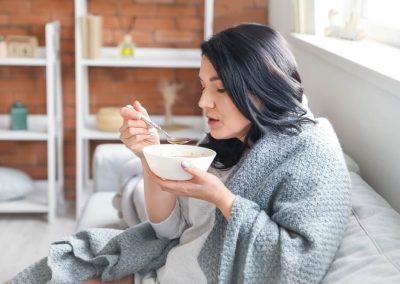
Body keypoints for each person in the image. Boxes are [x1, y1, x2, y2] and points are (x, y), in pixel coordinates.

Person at [11, 23, 351, 284]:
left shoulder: (310, 152)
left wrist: (224, 200)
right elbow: (169, 230)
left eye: (219, 88)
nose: (203, 102)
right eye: (203, 86)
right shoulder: (231, 141)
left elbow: (298, 263)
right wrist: (148, 156)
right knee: (59, 268)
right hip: (161, 270)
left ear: (263, 87)